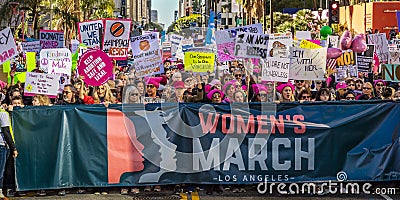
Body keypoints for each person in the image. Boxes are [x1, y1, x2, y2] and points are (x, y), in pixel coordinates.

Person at [0, 107, 18, 198]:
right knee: (1, 169)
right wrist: (13, 148)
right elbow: (6, 131)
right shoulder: (3, 113)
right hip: (2, 145)